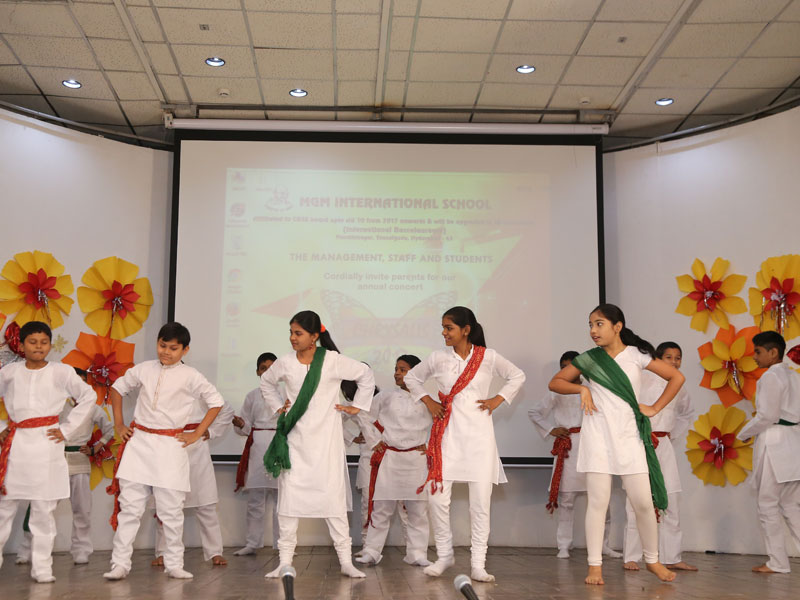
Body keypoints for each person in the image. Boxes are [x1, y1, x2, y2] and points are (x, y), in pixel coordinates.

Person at [549, 303, 684, 585]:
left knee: (643, 503)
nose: (593, 330)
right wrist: (581, 388)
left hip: (628, 437)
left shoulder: (636, 355)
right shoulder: (589, 359)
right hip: (597, 437)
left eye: (599, 324)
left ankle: (652, 560)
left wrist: (655, 408)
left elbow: (676, 377)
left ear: (617, 326)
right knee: (598, 503)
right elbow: (556, 382)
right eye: (590, 325)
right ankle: (595, 566)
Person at [405, 306, 525, 582]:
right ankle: (444, 555)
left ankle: (478, 564)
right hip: (447, 437)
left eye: (449, 328)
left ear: (466, 330)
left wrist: (498, 399)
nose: (444, 333)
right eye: (443, 327)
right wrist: (429, 401)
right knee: (437, 498)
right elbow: (412, 378)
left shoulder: (488, 357)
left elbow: (517, 375)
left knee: (480, 504)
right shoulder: (438, 358)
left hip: (480, 439)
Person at [103, 322, 224, 581]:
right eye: (162, 345)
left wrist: (197, 433)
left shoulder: (191, 375)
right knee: (130, 509)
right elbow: (117, 388)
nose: (166, 352)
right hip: (139, 444)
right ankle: (120, 564)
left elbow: (216, 402)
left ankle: (174, 564)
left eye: (173, 348)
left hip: (170, 447)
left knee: (171, 511)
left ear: (185, 350)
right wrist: (119, 424)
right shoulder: (144, 369)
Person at [260, 310, 375, 579]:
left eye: (298, 333)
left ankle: (346, 562)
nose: (292, 338)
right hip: (295, 444)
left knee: (333, 501)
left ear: (314, 337)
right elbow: (266, 382)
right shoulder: (285, 363)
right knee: (288, 505)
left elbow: (365, 374)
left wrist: (358, 406)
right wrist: (278, 406)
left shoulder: (331, 360)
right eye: (291, 332)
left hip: (326, 445)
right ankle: (284, 562)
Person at [0, 321, 96, 583]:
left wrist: (66, 429)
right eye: (32, 342)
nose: (38, 347)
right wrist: (2, 427)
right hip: (17, 446)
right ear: (21, 345)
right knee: (5, 508)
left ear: (50, 345)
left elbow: (88, 396)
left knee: (44, 510)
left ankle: (42, 568)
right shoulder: (9, 372)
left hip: (47, 445)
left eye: (44, 342)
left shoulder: (61, 372)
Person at [16, 367, 115, 566]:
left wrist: (95, 448)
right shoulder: (56, 405)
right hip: (54, 461)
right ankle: (28, 549)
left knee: (82, 509)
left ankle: (81, 550)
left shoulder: (93, 408)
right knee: (40, 506)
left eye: (81, 383)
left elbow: (110, 429)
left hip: (79, 460)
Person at [528, 351, 621, 560]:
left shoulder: (594, 388)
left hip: (592, 447)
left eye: (571, 366)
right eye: (563, 367)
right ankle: (564, 545)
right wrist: (551, 429)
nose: (567, 371)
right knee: (567, 500)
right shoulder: (556, 391)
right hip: (568, 448)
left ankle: (603, 545)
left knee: (600, 498)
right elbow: (534, 412)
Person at [623, 342, 695, 572]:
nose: (674, 362)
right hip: (640, 444)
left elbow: (686, 413)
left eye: (678, 358)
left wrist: (672, 435)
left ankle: (672, 556)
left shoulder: (679, 385)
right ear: (657, 359)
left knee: (670, 500)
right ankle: (632, 556)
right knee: (636, 501)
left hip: (664, 445)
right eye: (668, 357)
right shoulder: (641, 379)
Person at [355, 354, 431, 567]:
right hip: (390, 458)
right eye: (396, 369)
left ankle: (417, 553)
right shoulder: (386, 396)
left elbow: (442, 425)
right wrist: (374, 441)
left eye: (402, 370)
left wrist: (430, 445)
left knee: (417, 510)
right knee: (381, 507)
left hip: (417, 460)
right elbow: (363, 415)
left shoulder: (428, 399)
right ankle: (372, 551)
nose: (397, 373)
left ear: (416, 373)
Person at [738, 330, 800, 574]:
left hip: (775, 443)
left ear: (773, 352)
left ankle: (778, 562)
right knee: (791, 505)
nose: (754, 357)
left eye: (758, 352)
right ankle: (778, 561)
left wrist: (743, 433)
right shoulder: (794, 375)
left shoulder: (771, 377)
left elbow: (767, 416)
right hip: (793, 442)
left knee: (767, 504)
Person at [153, 396, 235, 567]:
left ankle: (215, 552)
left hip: (197, 448)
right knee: (167, 504)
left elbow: (226, 410)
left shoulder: (201, 388)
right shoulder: (161, 390)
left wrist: (211, 431)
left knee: (206, 504)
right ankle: (163, 552)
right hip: (169, 447)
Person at [232, 352, 280, 556]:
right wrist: (240, 424)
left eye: (271, 368)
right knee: (255, 499)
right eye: (263, 368)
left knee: (282, 501)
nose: (267, 372)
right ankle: (253, 543)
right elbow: (245, 426)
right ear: (258, 372)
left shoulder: (288, 394)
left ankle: (283, 545)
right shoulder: (252, 396)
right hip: (258, 446)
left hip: (280, 445)